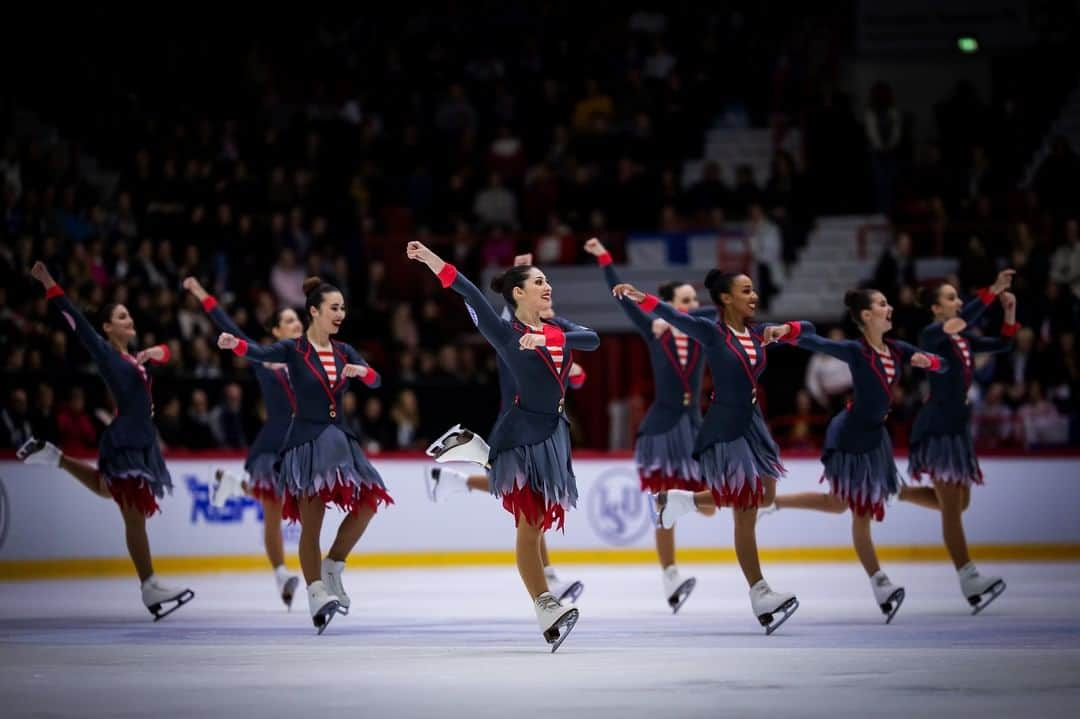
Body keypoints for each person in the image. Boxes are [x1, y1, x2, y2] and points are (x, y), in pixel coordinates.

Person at [408, 240, 598, 652]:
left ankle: (476, 453)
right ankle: (545, 603)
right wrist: (429, 259)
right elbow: (466, 289)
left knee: (538, 520)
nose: (547, 286)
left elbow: (593, 340)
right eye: (538, 282)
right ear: (518, 293)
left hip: (554, 434)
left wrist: (547, 340)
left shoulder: (557, 329)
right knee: (530, 524)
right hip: (522, 432)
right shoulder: (504, 331)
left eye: (548, 281)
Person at [611, 271, 799, 634]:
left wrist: (785, 330)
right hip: (725, 424)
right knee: (744, 509)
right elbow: (676, 317)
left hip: (753, 422)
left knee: (765, 494)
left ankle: (684, 502)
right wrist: (641, 297)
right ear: (726, 298)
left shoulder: (758, 332)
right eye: (746, 290)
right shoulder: (713, 334)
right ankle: (760, 592)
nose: (754, 295)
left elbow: (803, 326)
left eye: (753, 289)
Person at [18, 261, 193, 620]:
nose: (130, 321)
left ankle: (55, 457)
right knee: (134, 517)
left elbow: (170, 353)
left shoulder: (132, 357)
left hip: (139, 438)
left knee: (105, 487)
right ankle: (149, 585)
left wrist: (152, 353)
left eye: (130, 316)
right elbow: (75, 322)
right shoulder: (106, 353)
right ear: (108, 326)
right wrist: (49, 281)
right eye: (123, 317)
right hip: (128, 437)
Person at [216, 277, 390, 634]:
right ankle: (315, 591)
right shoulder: (293, 350)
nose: (340, 313)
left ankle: (333, 565)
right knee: (312, 523)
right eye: (334, 308)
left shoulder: (344, 351)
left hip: (341, 440)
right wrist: (235, 345)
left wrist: (364, 371)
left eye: (343, 307)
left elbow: (377, 382)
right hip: (307, 442)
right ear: (314, 311)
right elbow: (259, 354)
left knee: (370, 501)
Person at [761, 289, 947, 623]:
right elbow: (813, 341)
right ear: (866, 316)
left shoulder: (898, 350)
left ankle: (775, 503)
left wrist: (933, 361)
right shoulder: (855, 351)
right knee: (855, 508)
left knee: (839, 504)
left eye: (887, 302)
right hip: (849, 436)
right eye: (881, 304)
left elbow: (939, 363)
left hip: (875, 439)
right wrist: (782, 330)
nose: (889, 306)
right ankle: (881, 583)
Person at [584, 237, 719, 611]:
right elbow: (620, 298)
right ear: (674, 303)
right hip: (661, 429)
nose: (694, 306)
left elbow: (718, 311)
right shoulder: (652, 331)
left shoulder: (703, 330)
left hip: (694, 426)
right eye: (687, 301)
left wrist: (669, 314)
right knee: (663, 504)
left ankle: (683, 504)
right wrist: (604, 258)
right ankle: (670, 573)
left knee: (710, 501)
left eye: (695, 300)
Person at [183, 276, 301, 610]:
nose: (296, 324)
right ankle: (281, 574)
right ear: (276, 331)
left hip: (298, 448)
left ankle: (234, 487)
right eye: (289, 320)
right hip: (270, 447)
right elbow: (228, 326)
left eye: (298, 320)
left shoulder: (309, 359)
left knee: (288, 503)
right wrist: (201, 292)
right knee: (274, 508)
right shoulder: (264, 359)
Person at [902, 270, 1017, 613]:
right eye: (951, 298)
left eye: (958, 297)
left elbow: (1003, 344)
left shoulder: (961, 338)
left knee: (959, 503)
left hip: (957, 426)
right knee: (952, 508)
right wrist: (993, 289)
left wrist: (1008, 311)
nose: (959, 303)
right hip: (938, 427)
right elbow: (964, 318)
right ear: (937, 309)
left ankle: (897, 492)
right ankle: (968, 577)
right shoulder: (933, 333)